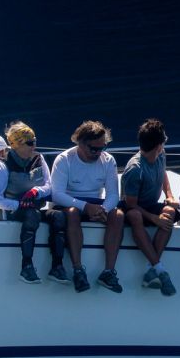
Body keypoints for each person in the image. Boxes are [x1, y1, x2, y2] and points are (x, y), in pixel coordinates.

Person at [0, 122, 67, 284]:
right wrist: (17, 205)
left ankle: (57, 266)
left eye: (35, 141)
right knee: (32, 215)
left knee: (58, 216)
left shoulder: (39, 158)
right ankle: (26, 267)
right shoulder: (3, 165)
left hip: (35, 207)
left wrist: (37, 191)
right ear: (17, 145)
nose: (34, 146)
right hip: (14, 211)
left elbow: (49, 186)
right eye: (30, 143)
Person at [52, 121, 125, 294]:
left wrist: (104, 209)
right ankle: (78, 270)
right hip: (68, 206)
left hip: (96, 208)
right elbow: (57, 195)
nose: (99, 153)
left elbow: (113, 195)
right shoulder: (64, 159)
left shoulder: (108, 160)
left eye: (102, 148)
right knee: (72, 213)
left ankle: (108, 272)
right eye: (94, 149)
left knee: (118, 215)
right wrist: (85, 207)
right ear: (80, 143)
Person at [120, 119, 180, 296]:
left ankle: (151, 269)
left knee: (169, 212)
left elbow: (163, 174)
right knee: (136, 216)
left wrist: (169, 195)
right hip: (132, 207)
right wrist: (154, 219)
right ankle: (159, 269)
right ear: (159, 146)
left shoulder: (161, 154)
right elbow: (131, 204)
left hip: (151, 204)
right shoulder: (135, 169)